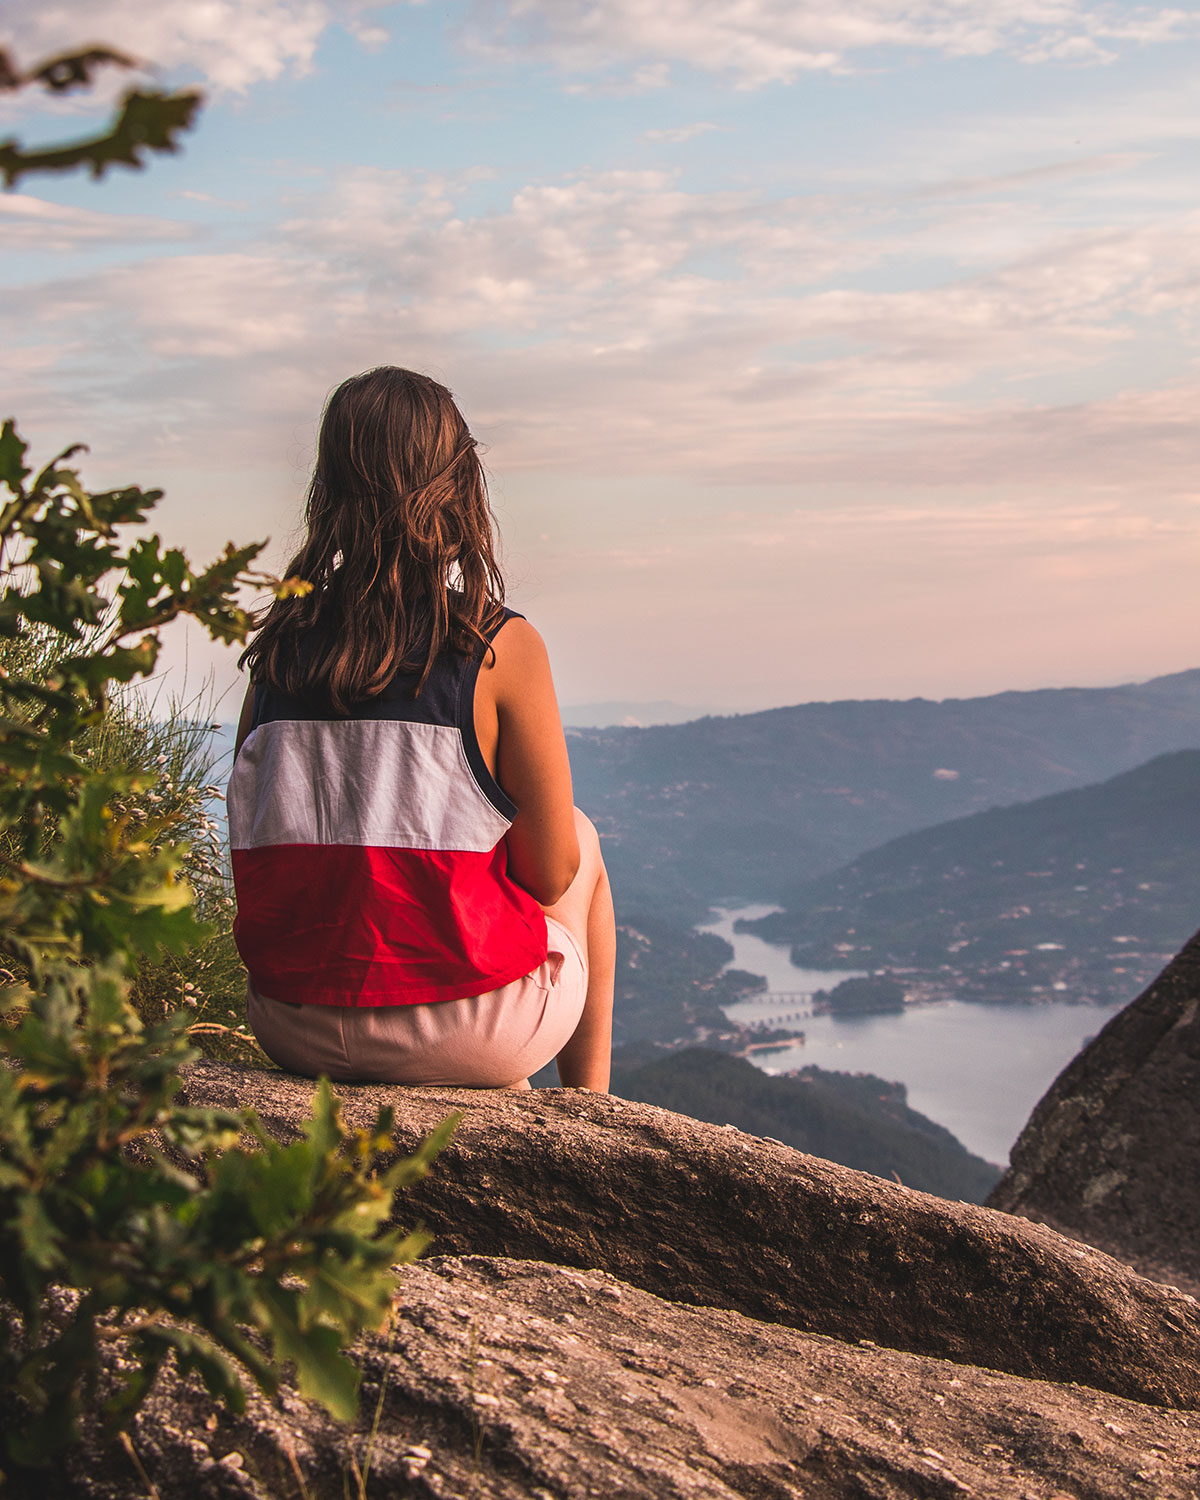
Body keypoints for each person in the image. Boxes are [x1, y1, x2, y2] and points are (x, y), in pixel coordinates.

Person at [227, 366, 615, 1091]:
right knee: (582, 838)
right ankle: (591, 1110)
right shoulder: (495, 646)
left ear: (329, 491)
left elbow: (257, 846)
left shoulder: (277, 650)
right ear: (456, 486)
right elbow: (550, 872)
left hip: (292, 1023)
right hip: (465, 1031)